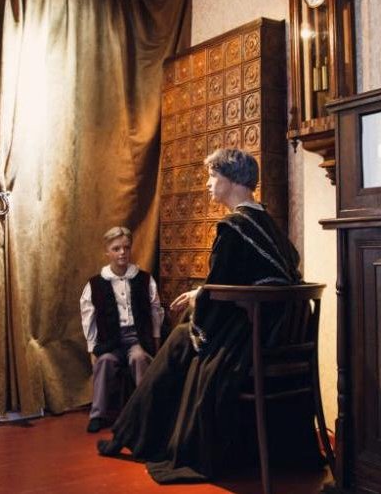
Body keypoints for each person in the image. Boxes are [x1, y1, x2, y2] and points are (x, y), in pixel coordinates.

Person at [97, 149, 319, 484]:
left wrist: (200, 307)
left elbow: (222, 289)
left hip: (250, 341)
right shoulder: (268, 224)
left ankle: (134, 434)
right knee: (187, 328)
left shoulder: (233, 227)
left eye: (213, 176)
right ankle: (132, 431)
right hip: (279, 337)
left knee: (181, 338)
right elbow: (257, 279)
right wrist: (204, 293)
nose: (207, 184)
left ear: (232, 181)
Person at [80, 226, 163, 433]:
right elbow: (88, 317)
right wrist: (92, 349)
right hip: (111, 340)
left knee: (138, 359)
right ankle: (98, 414)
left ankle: (145, 412)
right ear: (107, 252)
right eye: (116, 249)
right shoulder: (95, 284)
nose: (122, 253)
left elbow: (155, 310)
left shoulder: (144, 279)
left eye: (126, 247)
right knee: (106, 361)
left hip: (137, 337)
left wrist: (156, 338)